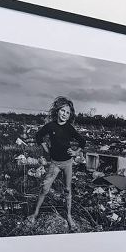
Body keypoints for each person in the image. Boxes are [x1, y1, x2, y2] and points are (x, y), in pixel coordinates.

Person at [28, 96, 86, 230]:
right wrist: (45, 148)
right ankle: (35, 213)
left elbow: (82, 141)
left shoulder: (69, 128)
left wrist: (76, 152)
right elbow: (38, 135)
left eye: (67, 113)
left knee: (67, 190)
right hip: (54, 163)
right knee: (44, 188)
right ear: (57, 110)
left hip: (67, 163)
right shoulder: (50, 126)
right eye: (63, 111)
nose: (65, 114)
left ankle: (69, 216)